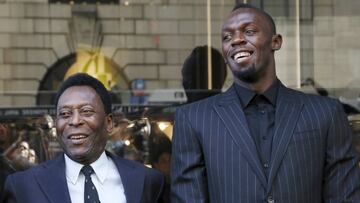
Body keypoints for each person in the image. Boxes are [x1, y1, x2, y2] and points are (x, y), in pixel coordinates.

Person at [171, 3, 360, 203]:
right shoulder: (193, 119)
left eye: (249, 31)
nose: (236, 40)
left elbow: (344, 196)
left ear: (275, 42)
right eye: (227, 37)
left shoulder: (326, 113)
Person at [2, 73, 164, 203]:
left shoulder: (147, 181)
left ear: (109, 123)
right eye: (65, 114)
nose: (74, 121)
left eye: (86, 111)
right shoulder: (23, 187)